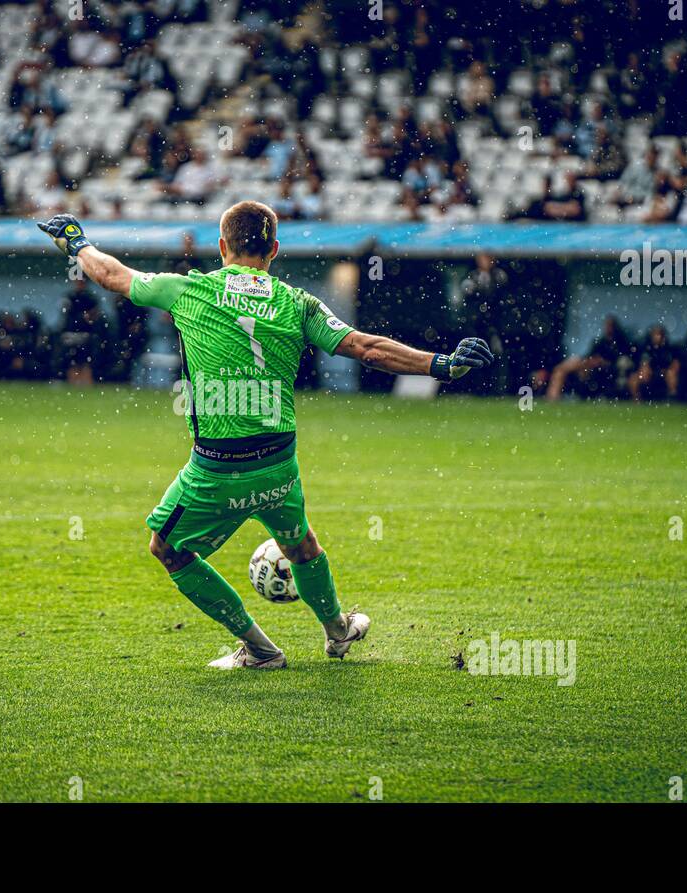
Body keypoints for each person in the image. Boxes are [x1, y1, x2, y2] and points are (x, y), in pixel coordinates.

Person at [37, 203, 493, 669]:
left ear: (221, 247)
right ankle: (338, 631)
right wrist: (441, 363)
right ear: (273, 249)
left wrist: (77, 243)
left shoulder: (188, 289)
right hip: (278, 465)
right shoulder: (298, 303)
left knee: (167, 547)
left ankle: (260, 650)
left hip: (216, 469)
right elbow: (364, 348)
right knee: (301, 546)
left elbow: (112, 275)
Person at [546, 316, 631, 401]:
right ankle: (553, 395)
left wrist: (600, 362)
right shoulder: (601, 342)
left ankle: (554, 395)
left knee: (567, 369)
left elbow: (617, 361)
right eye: (607, 325)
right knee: (566, 367)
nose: (608, 328)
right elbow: (590, 356)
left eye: (610, 325)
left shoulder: (621, 343)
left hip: (600, 369)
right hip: (589, 365)